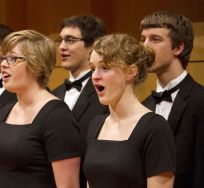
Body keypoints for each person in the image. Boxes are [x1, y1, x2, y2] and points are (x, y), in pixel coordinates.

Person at [0, 30, 81, 188]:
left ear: (36, 64)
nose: (3, 64)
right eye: (4, 58)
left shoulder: (57, 116)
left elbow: (69, 185)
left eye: (13, 58)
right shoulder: (5, 112)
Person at [83, 34, 176, 188]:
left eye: (105, 68)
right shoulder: (95, 125)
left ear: (131, 72)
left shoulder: (155, 128)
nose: (95, 76)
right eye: (93, 69)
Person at [140, 11, 204, 188]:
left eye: (155, 39)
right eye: (143, 38)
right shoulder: (144, 106)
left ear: (178, 48)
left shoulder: (200, 101)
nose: (145, 47)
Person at [52, 15, 109, 187]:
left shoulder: (106, 95)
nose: (62, 47)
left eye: (70, 40)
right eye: (60, 40)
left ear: (93, 45)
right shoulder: (53, 94)